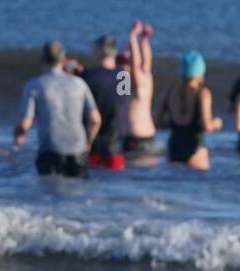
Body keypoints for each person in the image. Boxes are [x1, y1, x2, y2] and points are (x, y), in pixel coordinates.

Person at [14, 41, 101, 177]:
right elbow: (95, 119)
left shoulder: (34, 85)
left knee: (49, 194)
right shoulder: (79, 83)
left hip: (50, 149)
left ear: (41, 60)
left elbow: (25, 123)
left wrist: (19, 134)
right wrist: (88, 143)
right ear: (63, 60)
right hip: (78, 149)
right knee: (78, 194)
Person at [159, 50, 221, 169]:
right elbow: (207, 126)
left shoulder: (169, 91)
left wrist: (175, 125)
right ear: (201, 72)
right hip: (195, 147)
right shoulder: (203, 93)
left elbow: (157, 121)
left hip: (174, 146)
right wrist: (217, 123)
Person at [81, 35, 126, 170]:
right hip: (115, 145)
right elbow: (121, 105)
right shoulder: (124, 77)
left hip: (93, 144)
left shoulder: (88, 75)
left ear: (100, 50)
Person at [123, 21, 163, 158]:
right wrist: (145, 40)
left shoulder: (140, 82)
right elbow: (146, 63)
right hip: (136, 137)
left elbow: (137, 66)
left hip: (139, 141)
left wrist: (132, 37)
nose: (122, 66)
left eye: (124, 62)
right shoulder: (128, 82)